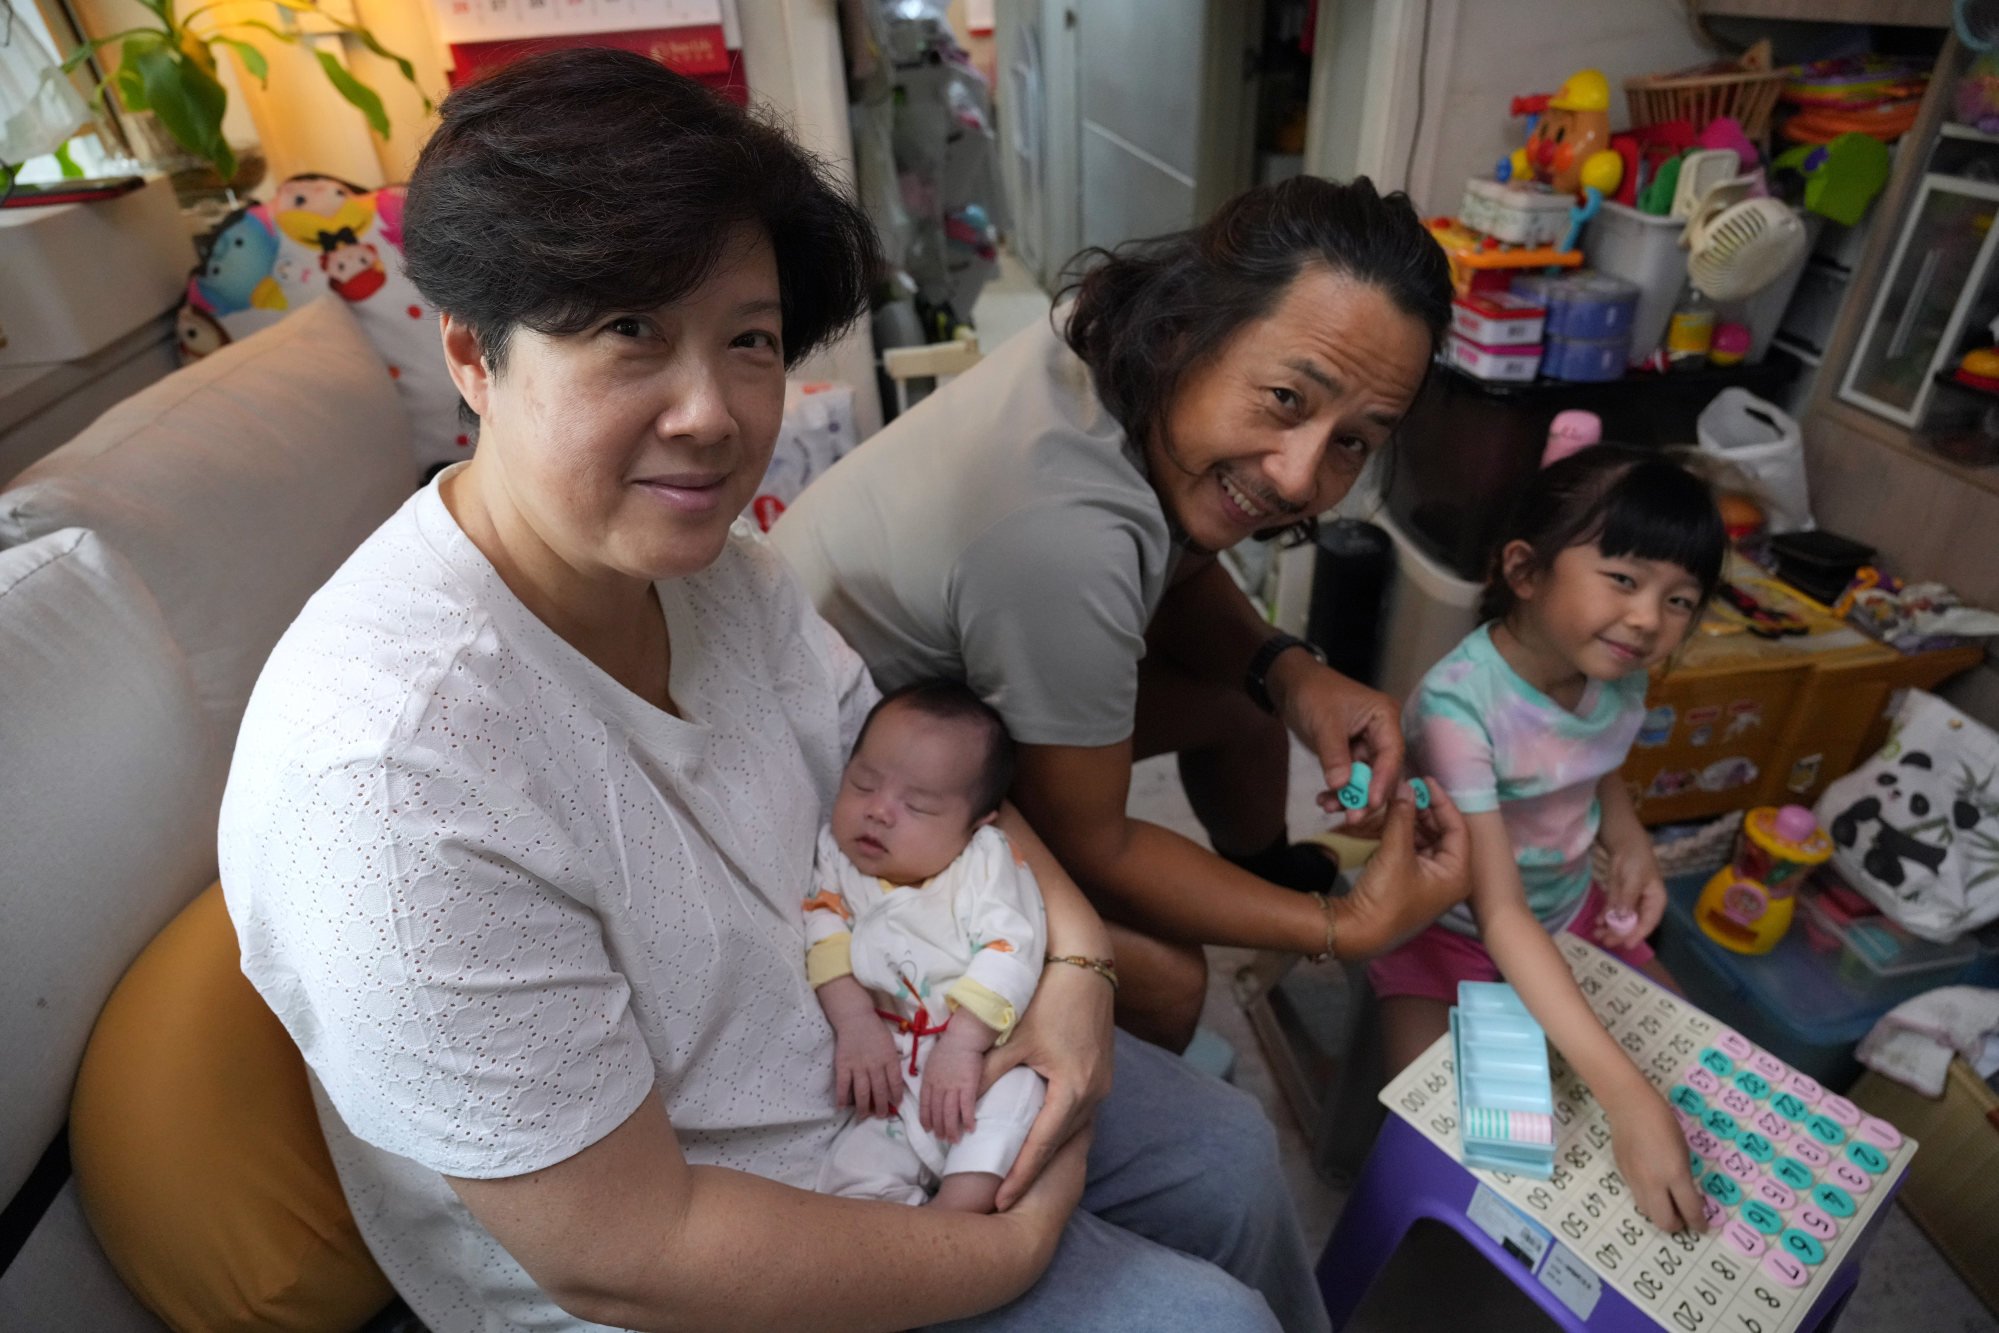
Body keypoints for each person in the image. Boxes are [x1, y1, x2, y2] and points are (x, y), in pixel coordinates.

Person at [219, 49, 1325, 1332]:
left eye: (746, 340)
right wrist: (1007, 1256)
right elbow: (626, 1251)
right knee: (1200, 1318)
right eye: (629, 328)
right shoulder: (394, 777)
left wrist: (1075, 967)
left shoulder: (717, 574)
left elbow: (929, 779)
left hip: (877, 1056)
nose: (709, 412)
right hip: (691, 1249)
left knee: (1235, 1153)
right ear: (474, 356)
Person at [773, 177, 1473, 1050]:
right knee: (1169, 980)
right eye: (1287, 398)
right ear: (1188, 330)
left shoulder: (1105, 338)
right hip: (842, 793)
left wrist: (1289, 672)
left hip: (934, 702)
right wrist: (1346, 929)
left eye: (1353, 442)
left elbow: (1169, 566)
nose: (1298, 478)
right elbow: (1094, 841)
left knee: (1239, 707)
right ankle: (1268, 936)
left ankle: (1275, 877)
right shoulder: (1061, 536)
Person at [1376, 444, 1726, 1235]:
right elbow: (1498, 912)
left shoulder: (1613, 666)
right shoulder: (1455, 711)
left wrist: (1628, 832)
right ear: (1526, 572)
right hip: (1455, 932)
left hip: (1574, 909)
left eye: (1680, 598)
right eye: (1625, 579)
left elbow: (1590, 759)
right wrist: (1624, 1095)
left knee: (1696, 1072)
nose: (1648, 620)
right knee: (1445, 1152)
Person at [809, 681, 1048, 1215]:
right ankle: (896, 1240)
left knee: (1014, 1107)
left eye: (917, 806)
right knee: (850, 1176)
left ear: (975, 824)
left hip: (981, 1059)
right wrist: (854, 1022)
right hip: (891, 1066)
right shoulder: (839, 859)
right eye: (862, 783)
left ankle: (958, 1220)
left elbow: (1012, 948)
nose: (879, 812)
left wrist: (963, 1046)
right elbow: (823, 932)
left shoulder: (984, 864)